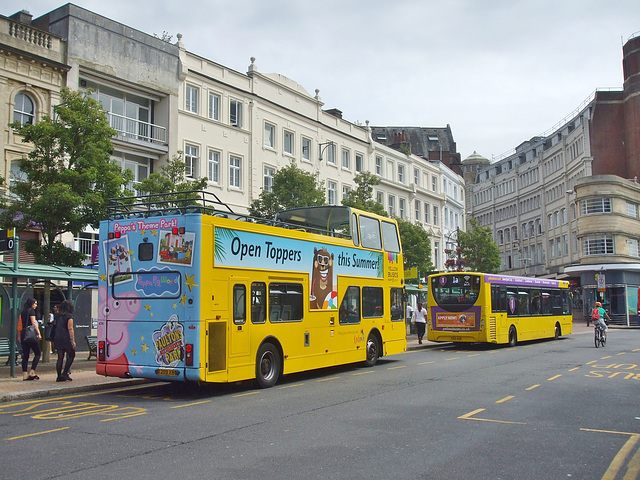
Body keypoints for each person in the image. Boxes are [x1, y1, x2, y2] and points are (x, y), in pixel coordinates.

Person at [54, 299, 76, 382]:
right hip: (66, 338)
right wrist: (73, 340)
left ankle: (59, 375)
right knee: (71, 355)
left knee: (60, 357)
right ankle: (65, 373)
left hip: (57, 337)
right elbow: (70, 328)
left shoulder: (57, 316)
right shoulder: (69, 316)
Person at [19, 298, 41, 381]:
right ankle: (32, 371)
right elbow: (34, 323)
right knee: (38, 353)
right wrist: (38, 333)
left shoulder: (23, 312)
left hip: (23, 334)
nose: (36, 305)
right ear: (31, 304)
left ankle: (24, 375)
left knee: (25, 355)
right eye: (35, 304)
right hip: (31, 334)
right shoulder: (31, 311)